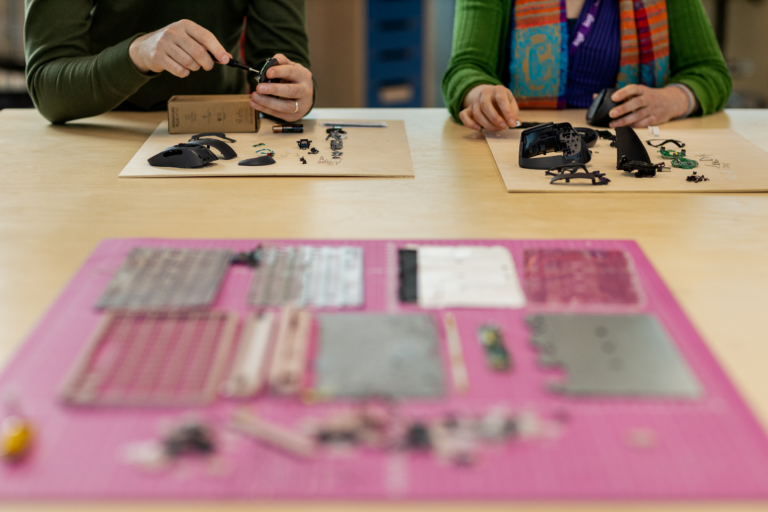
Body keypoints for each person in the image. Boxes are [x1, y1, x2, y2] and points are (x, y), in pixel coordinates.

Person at [442, 0, 732, 131]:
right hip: (517, 151)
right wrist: (480, 95)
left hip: (628, 158)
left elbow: (710, 71)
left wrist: (671, 100)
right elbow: (465, 68)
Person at [24, 0, 314, 124]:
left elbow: (285, 60)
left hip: (221, 126)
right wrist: (138, 53)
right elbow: (47, 87)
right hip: (97, 128)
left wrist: (293, 93)